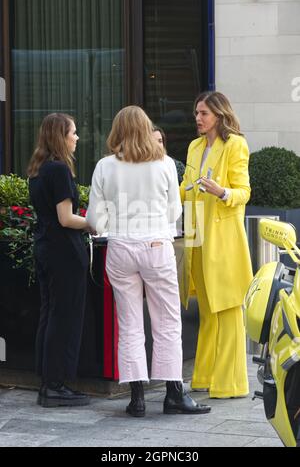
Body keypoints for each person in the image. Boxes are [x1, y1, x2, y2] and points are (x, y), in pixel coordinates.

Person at [87, 106, 211, 417]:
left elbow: (94, 218)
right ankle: (173, 393)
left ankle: (137, 398)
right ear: (146, 129)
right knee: (167, 322)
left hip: (120, 247)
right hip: (156, 245)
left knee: (129, 324)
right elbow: (174, 212)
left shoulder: (104, 166)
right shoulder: (166, 164)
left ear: (117, 130)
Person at [180, 92, 253, 399]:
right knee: (208, 312)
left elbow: (243, 192)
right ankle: (205, 377)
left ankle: (230, 383)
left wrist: (221, 191)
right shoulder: (195, 146)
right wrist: (185, 189)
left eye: (204, 113)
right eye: (197, 112)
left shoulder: (236, 144)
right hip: (197, 237)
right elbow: (185, 187)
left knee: (228, 310)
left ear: (220, 116)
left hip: (223, 239)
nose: (198, 118)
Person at [28, 113, 91, 408]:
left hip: (44, 248)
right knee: (64, 317)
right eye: (73, 133)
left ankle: (47, 383)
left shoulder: (38, 170)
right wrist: (94, 223)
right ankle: (57, 384)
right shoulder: (59, 170)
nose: (76, 137)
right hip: (64, 252)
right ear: (60, 137)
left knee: (49, 314)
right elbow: (66, 219)